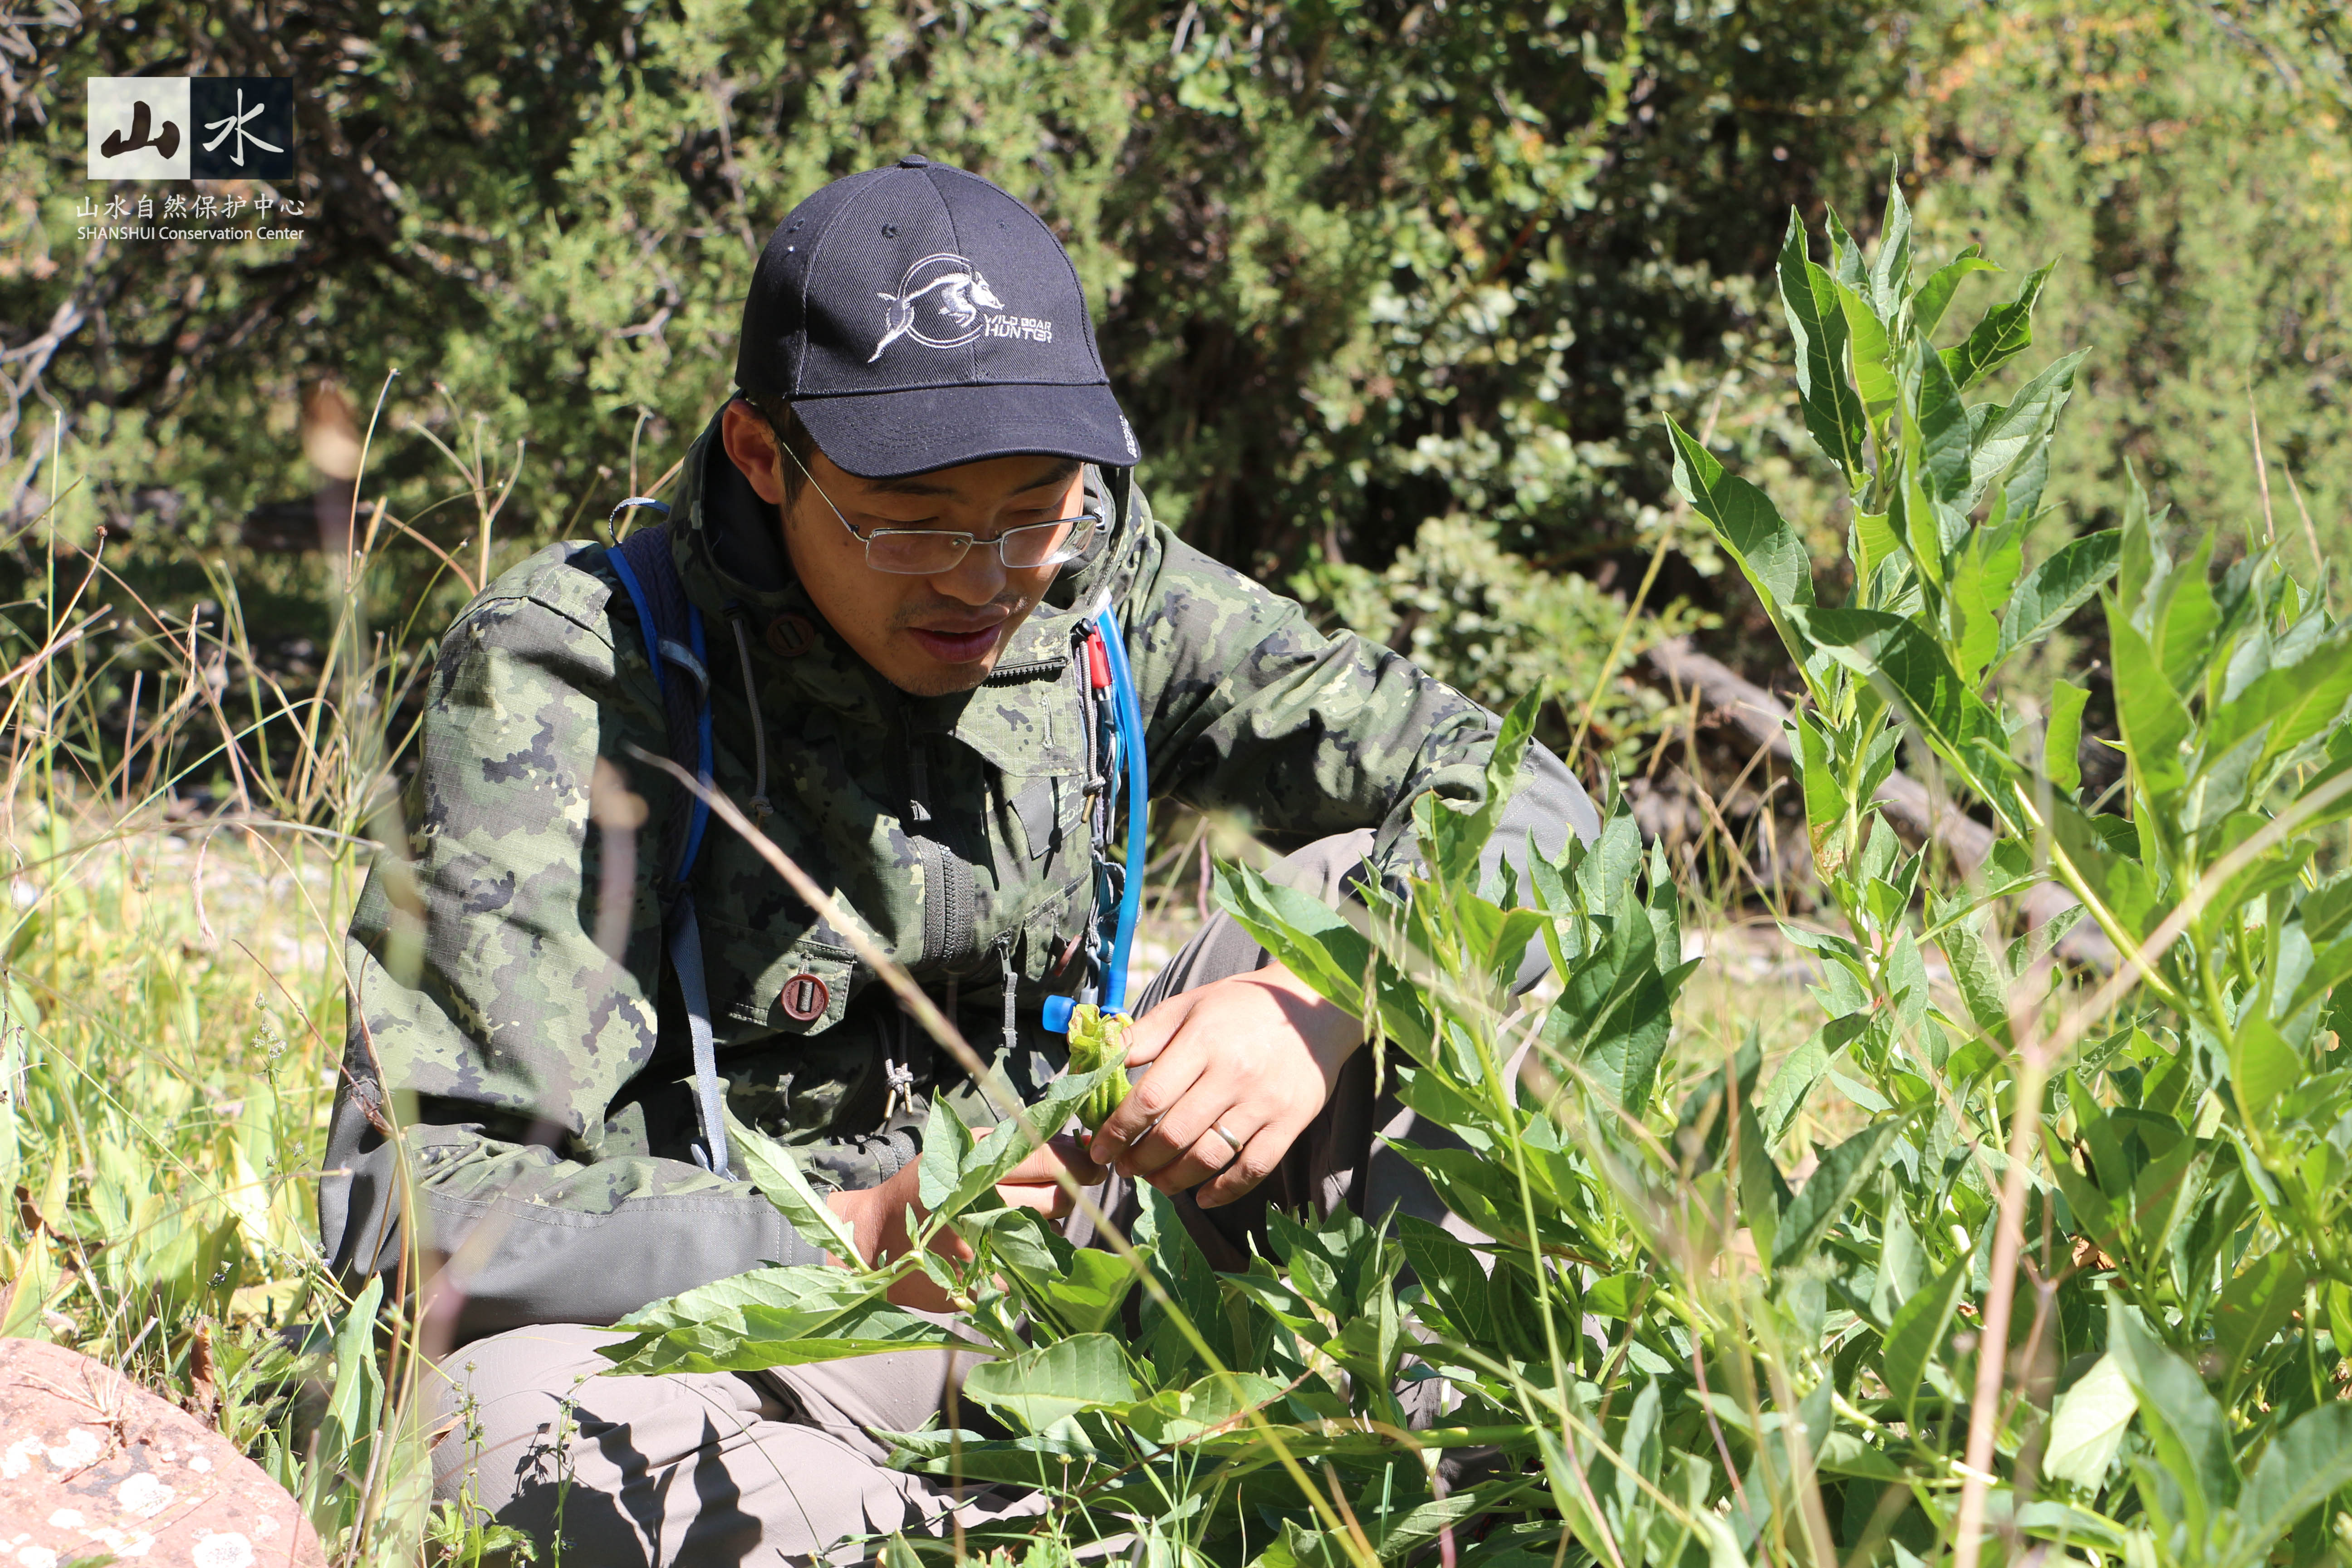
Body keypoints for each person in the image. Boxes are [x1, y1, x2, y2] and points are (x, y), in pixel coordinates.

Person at [321, 155, 1597, 1563]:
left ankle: (1426, 1494)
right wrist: (861, 1235)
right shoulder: (573, 672)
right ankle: (1108, 1523)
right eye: (913, 522)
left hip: (1090, 1255)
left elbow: (1524, 798)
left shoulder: (1109, 585)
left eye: (1034, 509)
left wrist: (1324, 993)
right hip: (768, 1333)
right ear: (764, 456)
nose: (985, 579)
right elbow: (415, 1197)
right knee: (521, 1437)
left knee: (1419, 931)